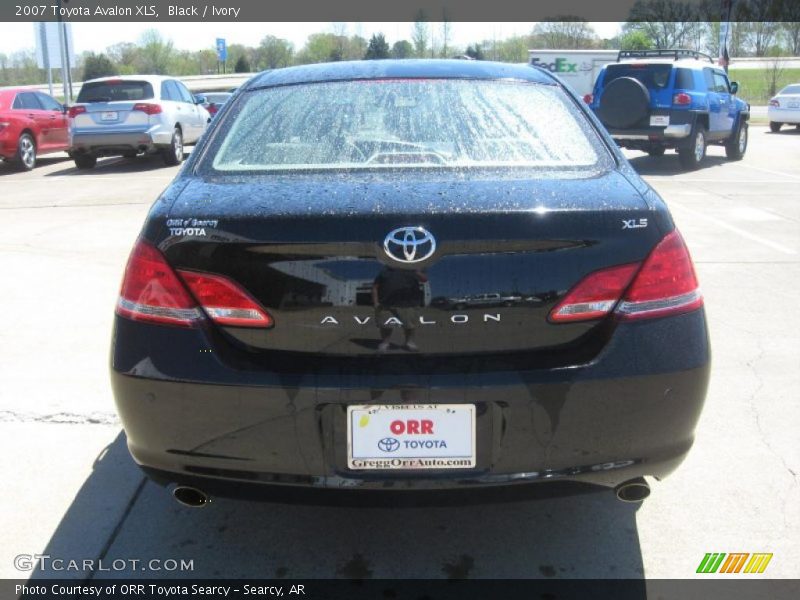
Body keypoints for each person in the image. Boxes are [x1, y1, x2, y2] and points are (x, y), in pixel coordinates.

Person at [371, 267, 427, 353]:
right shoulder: (384, 272)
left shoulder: (412, 270)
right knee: (385, 325)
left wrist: (415, 271)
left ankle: (409, 342)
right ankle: (385, 343)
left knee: (410, 325)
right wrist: (375, 302)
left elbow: (424, 279)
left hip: (408, 304)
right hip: (386, 304)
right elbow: (375, 287)